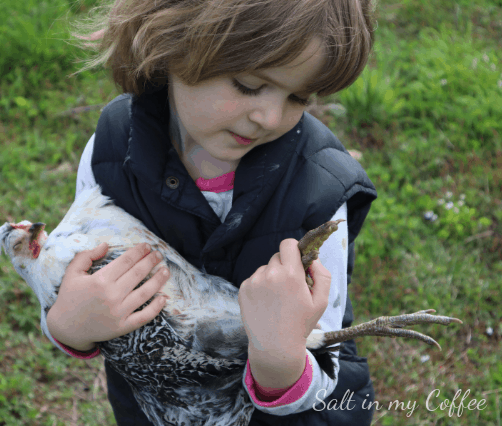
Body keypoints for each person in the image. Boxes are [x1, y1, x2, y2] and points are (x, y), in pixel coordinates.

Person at [44, 0, 378, 424]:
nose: (270, 116)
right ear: (173, 43)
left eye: (298, 97)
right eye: (248, 85)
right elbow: (69, 278)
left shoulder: (319, 191)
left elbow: (329, 358)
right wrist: (67, 326)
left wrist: (279, 359)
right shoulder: (111, 153)